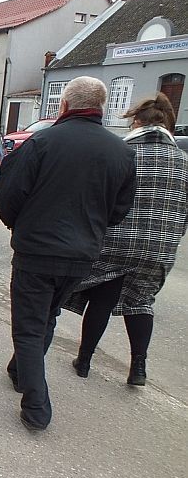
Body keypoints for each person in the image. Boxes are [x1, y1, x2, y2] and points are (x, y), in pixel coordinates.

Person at [0, 76, 136, 431]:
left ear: (64, 105)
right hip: (82, 253)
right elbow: (120, 210)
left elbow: (8, 197)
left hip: (37, 249)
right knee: (47, 316)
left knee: (29, 326)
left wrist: (19, 226)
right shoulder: (122, 151)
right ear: (102, 107)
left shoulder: (40, 142)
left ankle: (36, 404)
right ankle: (19, 371)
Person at [64, 93, 188, 386]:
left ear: (136, 121)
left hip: (116, 239)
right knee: (142, 301)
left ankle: (84, 361)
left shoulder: (122, 151)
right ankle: (138, 369)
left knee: (103, 299)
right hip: (160, 246)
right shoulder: (184, 162)